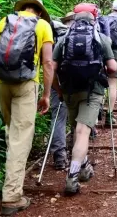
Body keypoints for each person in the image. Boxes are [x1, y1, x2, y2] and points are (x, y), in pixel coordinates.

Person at [0, 0, 54, 215]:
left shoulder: (5, 21)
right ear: (39, 12)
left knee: (11, 131)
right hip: (26, 83)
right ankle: (12, 198)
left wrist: (2, 69)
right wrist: (47, 95)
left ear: (22, 9)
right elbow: (48, 63)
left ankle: (9, 183)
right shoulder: (43, 25)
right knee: (21, 139)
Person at [52, 4, 117, 195]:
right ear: (94, 21)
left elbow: (51, 67)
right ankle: (72, 177)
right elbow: (112, 67)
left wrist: (59, 90)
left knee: (77, 130)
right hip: (92, 90)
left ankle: (84, 165)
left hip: (70, 90)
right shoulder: (101, 38)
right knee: (82, 132)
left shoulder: (64, 40)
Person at [48, 13, 74, 170]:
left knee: (58, 117)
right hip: (77, 81)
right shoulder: (86, 34)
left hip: (55, 78)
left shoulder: (51, 33)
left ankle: (59, 155)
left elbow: (49, 66)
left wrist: (57, 90)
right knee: (78, 115)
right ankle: (78, 151)